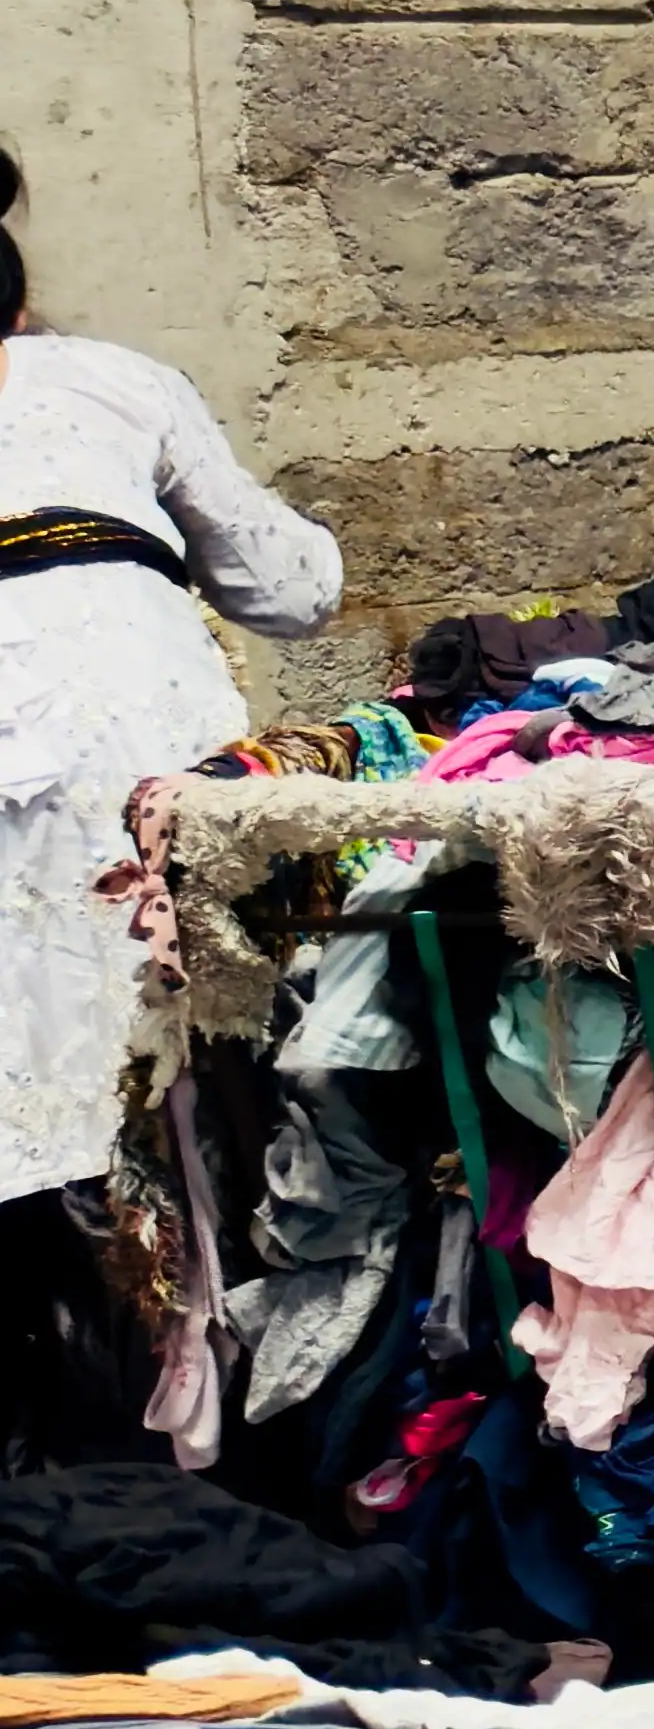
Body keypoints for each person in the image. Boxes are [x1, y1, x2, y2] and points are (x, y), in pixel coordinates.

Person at [0, 144, 347, 1445]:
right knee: (207, 1069)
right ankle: (237, 1396)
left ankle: (74, 1416)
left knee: (34, 1095)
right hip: (157, 766)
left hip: (56, 786)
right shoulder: (117, 382)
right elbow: (295, 589)